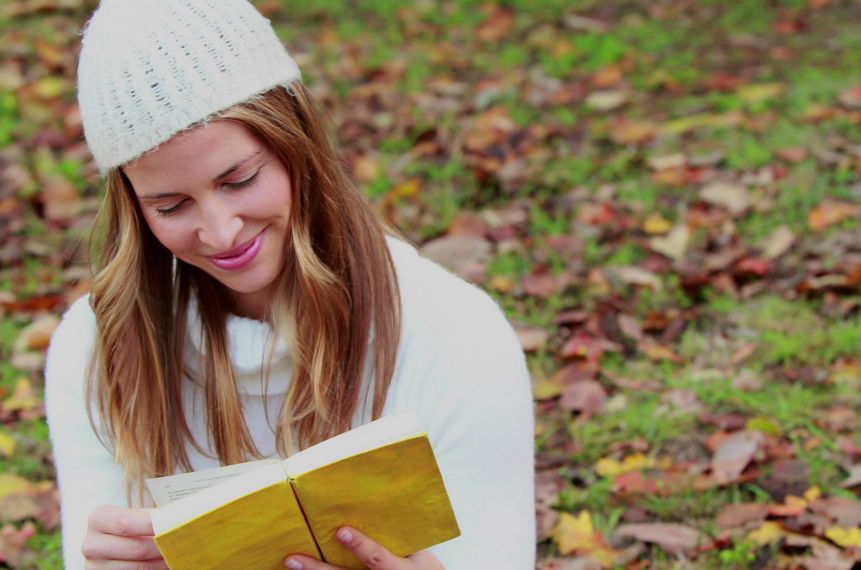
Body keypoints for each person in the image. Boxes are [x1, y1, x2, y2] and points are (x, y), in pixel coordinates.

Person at [44, 0, 536, 568]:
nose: (220, 231)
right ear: (134, 208)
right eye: (171, 205)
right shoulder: (97, 348)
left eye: (240, 179)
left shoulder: (457, 334)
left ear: (296, 146)